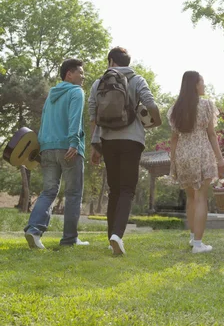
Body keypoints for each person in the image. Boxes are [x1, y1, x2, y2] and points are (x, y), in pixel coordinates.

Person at [89, 47, 161, 255]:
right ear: (127, 62)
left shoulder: (98, 83)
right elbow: (150, 103)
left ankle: (111, 235)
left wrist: (96, 146)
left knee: (114, 189)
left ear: (111, 61)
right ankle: (117, 236)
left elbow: (93, 116)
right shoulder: (138, 80)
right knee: (127, 189)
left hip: (107, 140)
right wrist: (155, 121)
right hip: (132, 140)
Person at [24, 59, 88, 249]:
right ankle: (69, 239)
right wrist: (74, 142)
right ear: (70, 74)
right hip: (69, 148)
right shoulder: (76, 92)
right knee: (73, 193)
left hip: (48, 148)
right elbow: (75, 118)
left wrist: (42, 147)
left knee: (48, 191)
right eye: (81, 73)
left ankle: (33, 230)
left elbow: (43, 122)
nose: (83, 77)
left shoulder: (51, 94)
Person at [168, 71, 224, 254]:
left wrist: (174, 162)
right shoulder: (207, 105)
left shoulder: (175, 109)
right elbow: (211, 134)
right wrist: (219, 158)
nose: (204, 85)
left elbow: (174, 138)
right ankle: (198, 244)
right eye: (202, 81)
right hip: (201, 152)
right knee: (201, 197)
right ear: (195, 84)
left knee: (191, 198)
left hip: (183, 154)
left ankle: (194, 237)